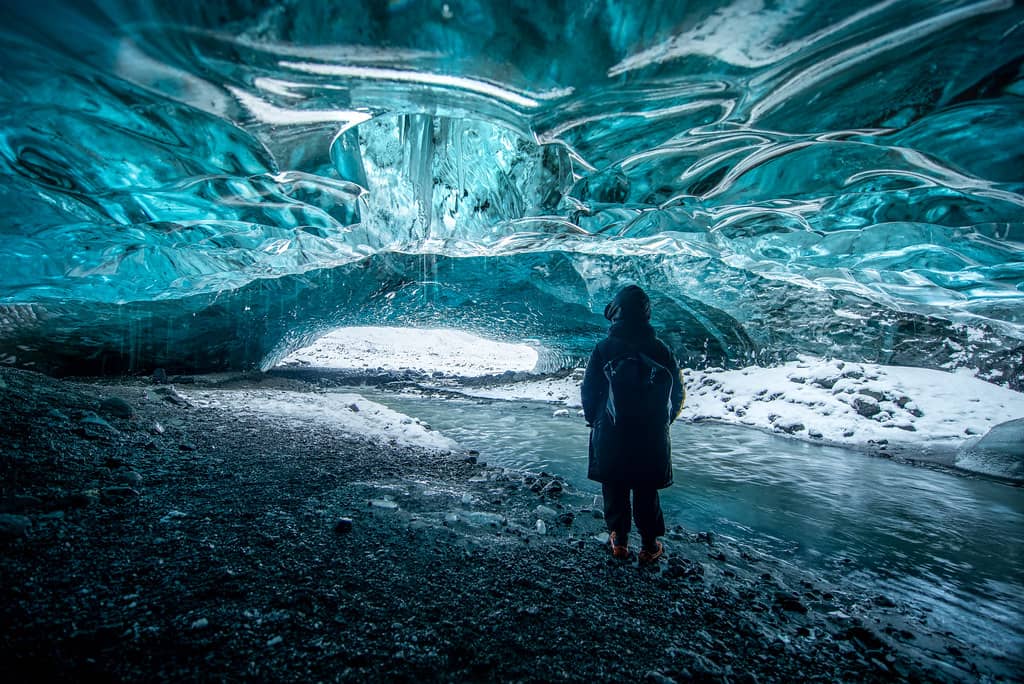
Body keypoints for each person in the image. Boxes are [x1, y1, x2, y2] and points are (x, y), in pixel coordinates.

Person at [581, 285, 685, 563]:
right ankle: (650, 546)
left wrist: (596, 420)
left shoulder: (604, 348)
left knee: (614, 484)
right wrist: (663, 422)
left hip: (612, 430)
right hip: (650, 433)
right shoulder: (661, 349)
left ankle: (620, 542)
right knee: (645, 487)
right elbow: (677, 394)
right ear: (645, 314)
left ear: (617, 314)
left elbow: (590, 390)